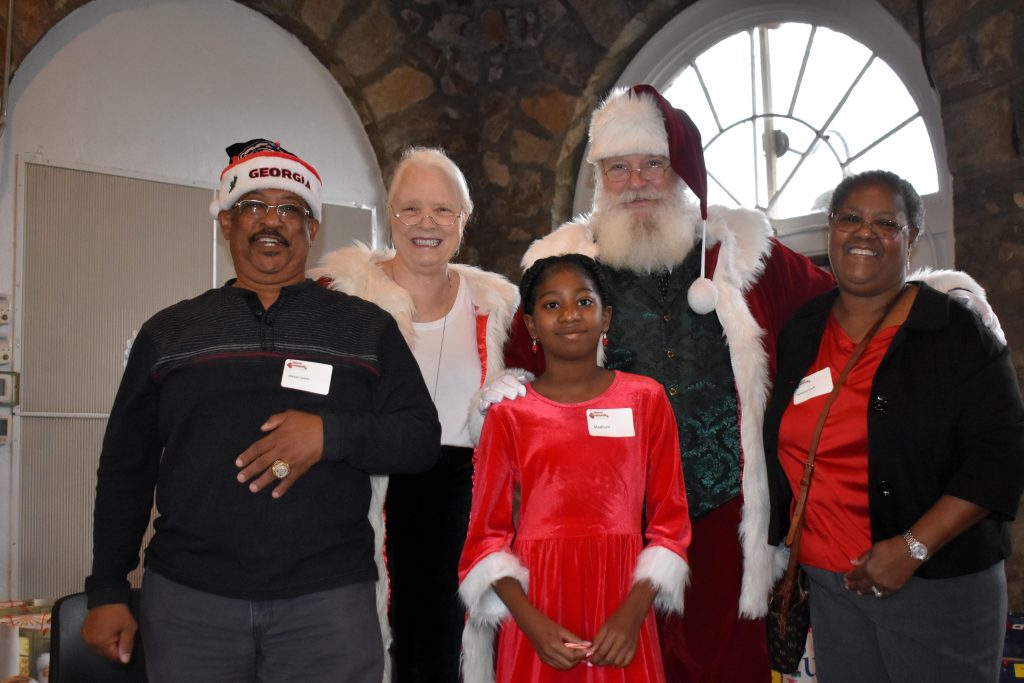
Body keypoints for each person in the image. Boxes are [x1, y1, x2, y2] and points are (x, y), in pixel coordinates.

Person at [491, 84, 1006, 682]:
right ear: (600, 178)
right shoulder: (559, 268)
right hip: (610, 524)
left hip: (726, 521)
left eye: (652, 165)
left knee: (725, 666)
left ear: (680, 171)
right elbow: (519, 377)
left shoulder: (743, 253)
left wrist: (937, 291)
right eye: (619, 168)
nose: (635, 182)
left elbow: (845, 296)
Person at [80, 139, 440, 683]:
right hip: (189, 601)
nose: (271, 221)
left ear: (312, 229)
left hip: (328, 602)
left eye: (290, 209)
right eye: (253, 205)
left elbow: (419, 438)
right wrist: (107, 587)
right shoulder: (170, 332)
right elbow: (125, 468)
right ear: (226, 222)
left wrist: (329, 436)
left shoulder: (365, 329)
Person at [764, 170, 1024, 681]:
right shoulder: (802, 329)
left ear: (911, 238)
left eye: (886, 223)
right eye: (851, 219)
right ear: (830, 230)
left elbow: (1001, 453)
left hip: (934, 585)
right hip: (831, 587)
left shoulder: (953, 329)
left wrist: (913, 547)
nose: (865, 233)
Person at [312, 146, 519, 683]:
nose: (427, 224)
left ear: (464, 219)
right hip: (363, 510)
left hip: (460, 517)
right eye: (411, 209)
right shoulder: (338, 299)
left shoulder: (496, 308)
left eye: (443, 210)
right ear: (389, 214)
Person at [459, 254, 691, 683]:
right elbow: (486, 540)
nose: (569, 315)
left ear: (607, 317)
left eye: (584, 302)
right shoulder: (510, 414)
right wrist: (531, 623)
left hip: (622, 601)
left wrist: (632, 616)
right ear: (530, 325)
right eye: (551, 305)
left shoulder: (646, 399)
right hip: (538, 609)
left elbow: (670, 525)